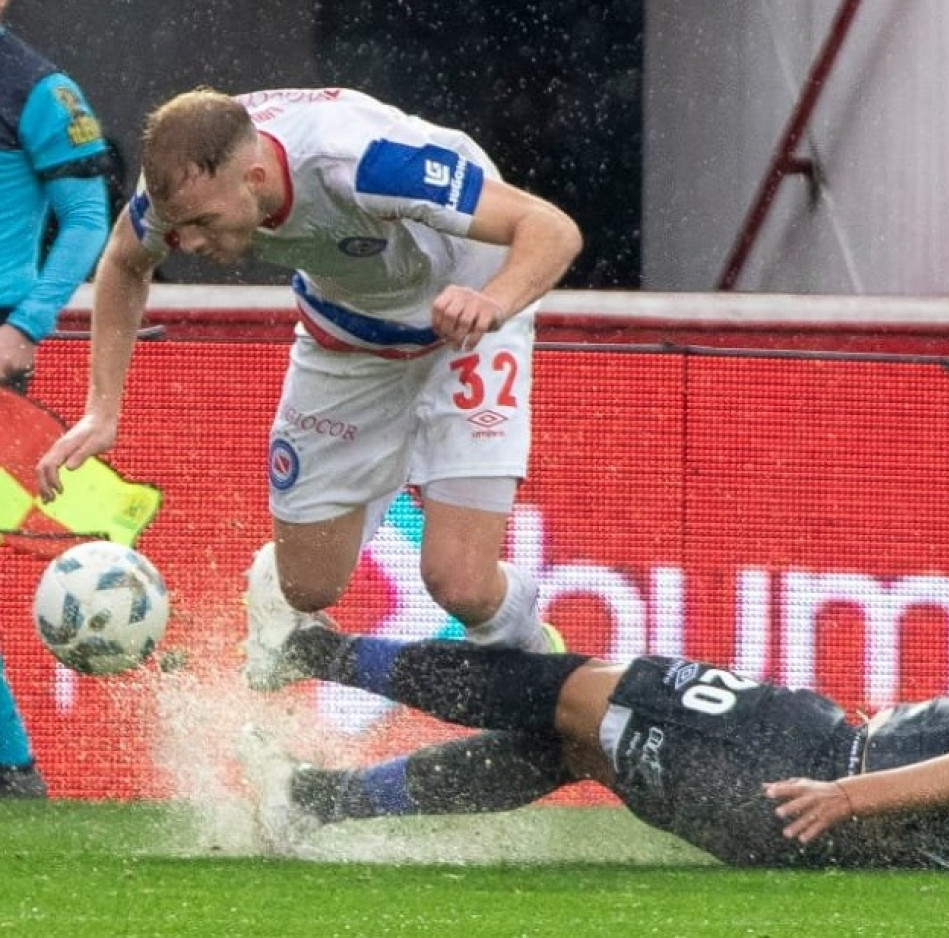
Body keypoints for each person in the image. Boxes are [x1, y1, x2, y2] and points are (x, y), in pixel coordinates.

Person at [237, 523, 949, 872]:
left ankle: (312, 650)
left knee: (576, 692)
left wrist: (853, 791)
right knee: (587, 739)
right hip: (837, 816)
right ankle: (316, 801)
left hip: (826, 780)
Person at [33, 87, 583, 679]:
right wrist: (101, 409)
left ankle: (543, 663)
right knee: (308, 586)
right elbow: (123, 260)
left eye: (202, 224)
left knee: (460, 584)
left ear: (256, 175)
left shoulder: (364, 163)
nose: (186, 243)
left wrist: (492, 302)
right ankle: (282, 584)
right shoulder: (180, 182)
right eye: (178, 228)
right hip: (348, 336)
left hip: (470, 323)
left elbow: (551, 228)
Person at [0, 0, 112, 797]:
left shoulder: (36, 87)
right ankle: (14, 769)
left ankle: (13, 767)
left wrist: (25, 326)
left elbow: (86, 217)